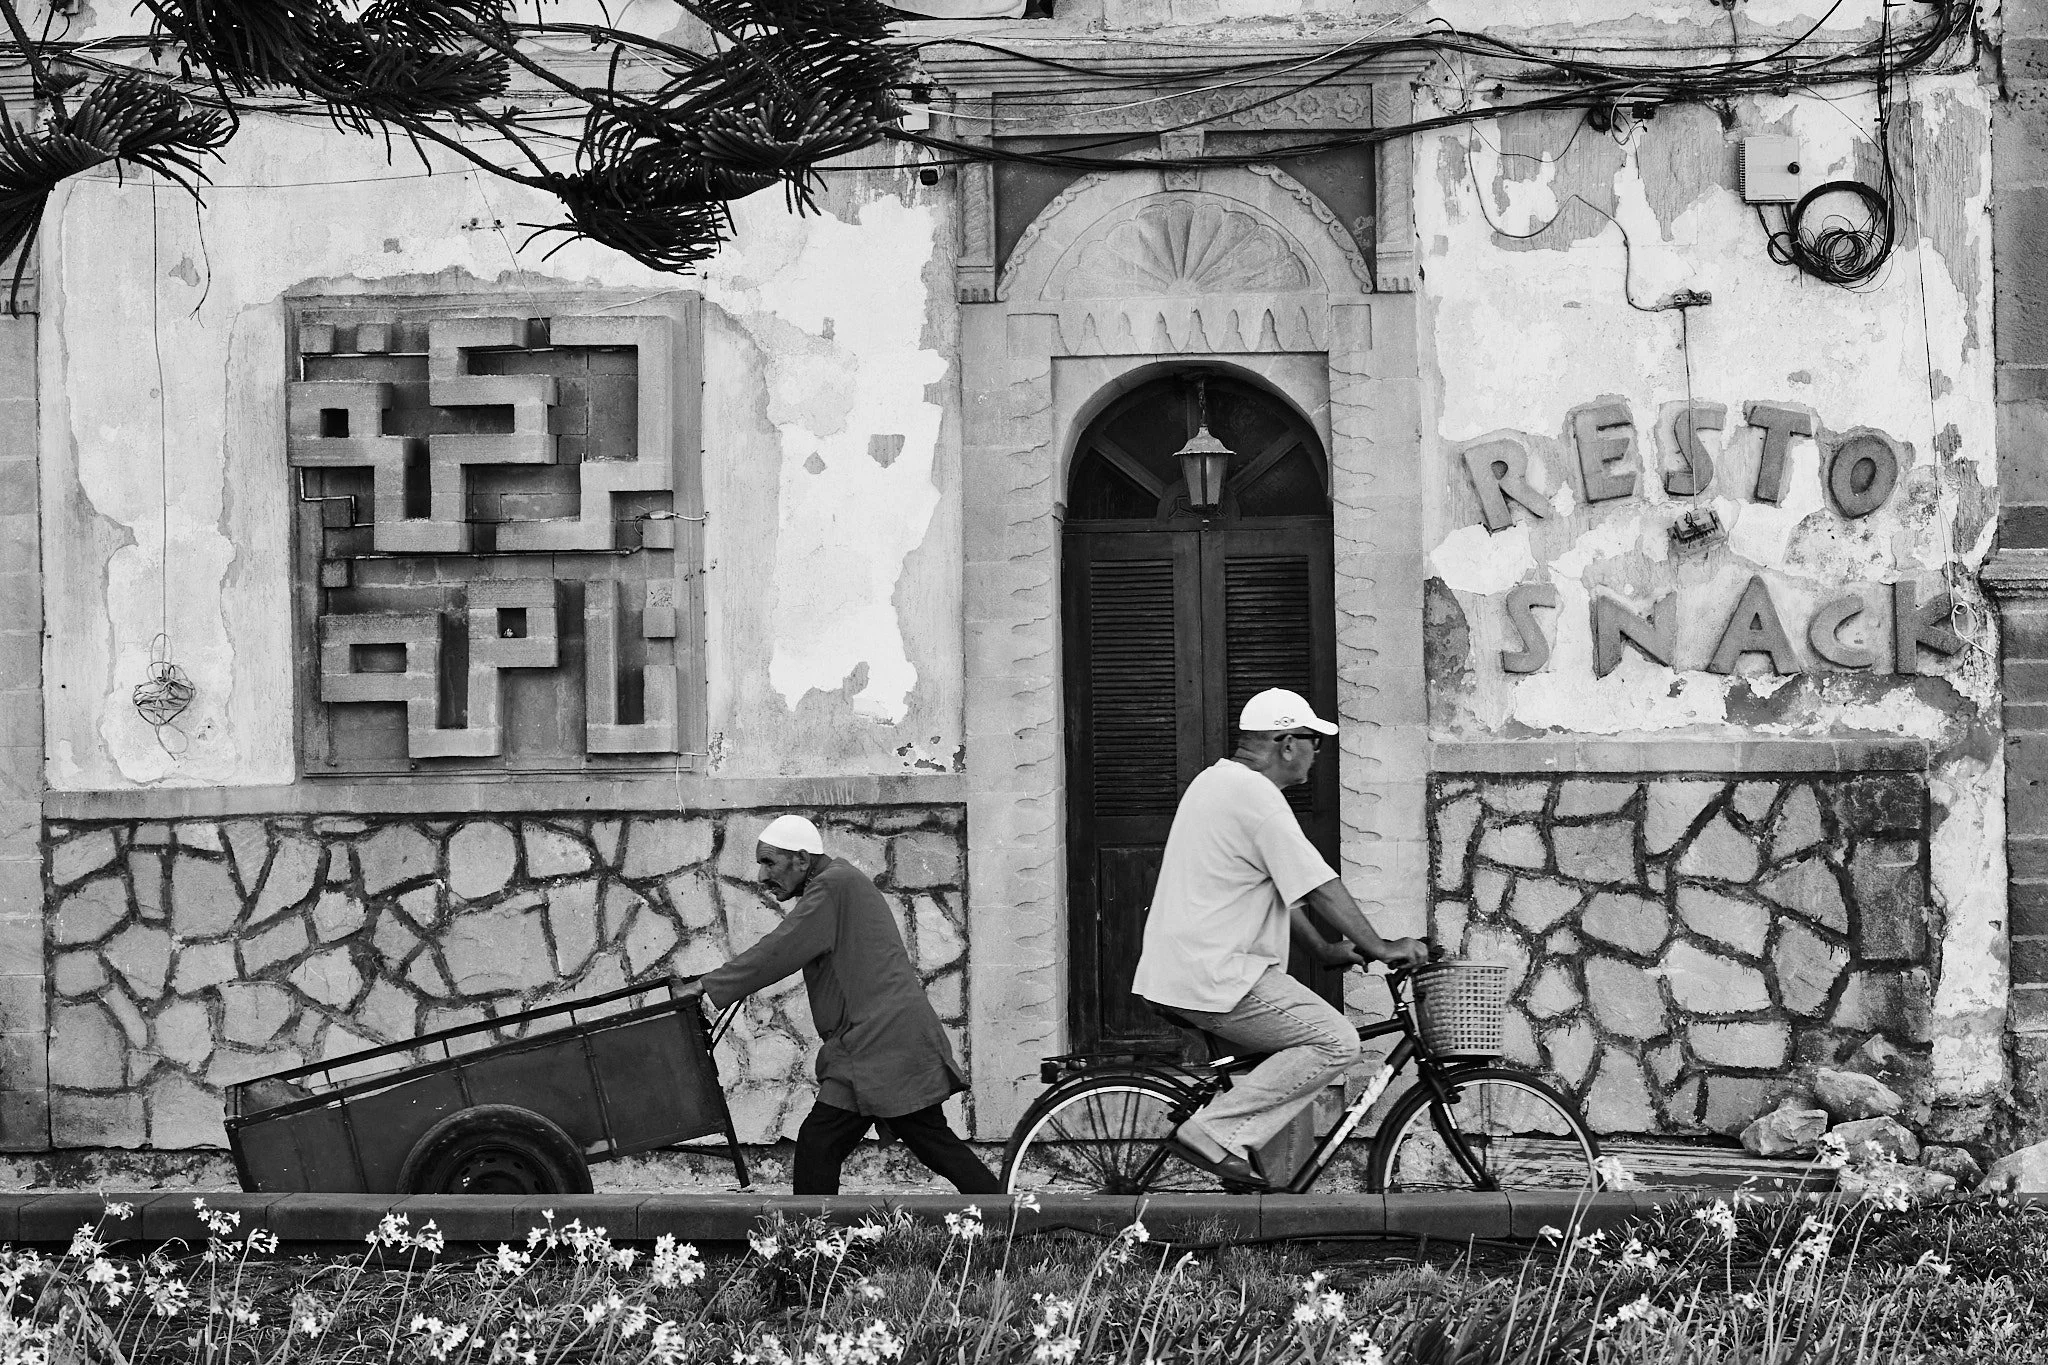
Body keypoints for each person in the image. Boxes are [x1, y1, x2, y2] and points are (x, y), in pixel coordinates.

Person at [1132, 688, 1431, 1188]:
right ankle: (1211, 1134)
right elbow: (1319, 888)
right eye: (1314, 741)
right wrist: (1381, 947)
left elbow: (1280, 889)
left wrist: (1322, 949)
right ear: (1287, 743)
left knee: (1287, 1070)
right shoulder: (1257, 798)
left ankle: (1271, 1204)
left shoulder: (1216, 782)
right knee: (1335, 1042)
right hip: (1219, 974)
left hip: (1188, 968)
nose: (1318, 753)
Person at [677, 814, 1001, 1196]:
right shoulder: (837, 881)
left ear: (801, 859)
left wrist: (706, 986)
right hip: (875, 1043)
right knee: (896, 1142)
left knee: (834, 1142)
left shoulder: (831, 887)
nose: (762, 877)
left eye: (769, 863)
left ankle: (813, 1240)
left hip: (881, 1043)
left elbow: (779, 950)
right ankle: (1009, 1218)